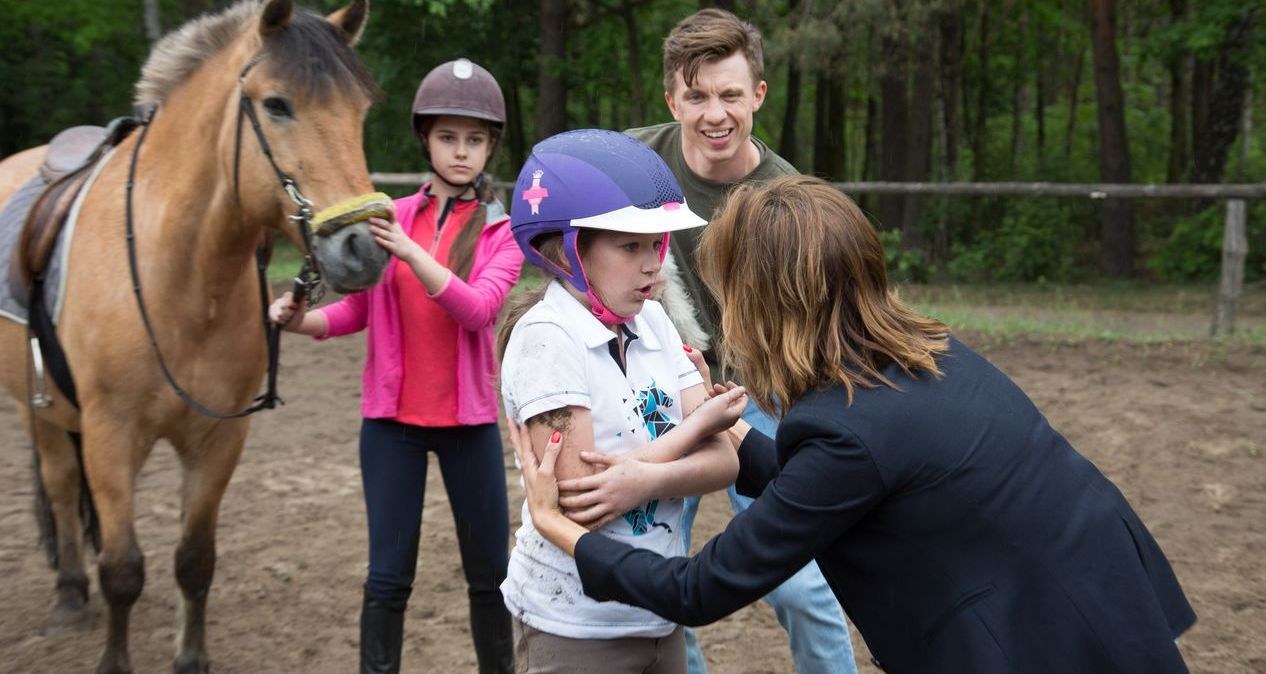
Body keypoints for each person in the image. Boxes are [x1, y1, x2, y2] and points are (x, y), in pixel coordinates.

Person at [512, 175, 1198, 674]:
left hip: (1032, 644)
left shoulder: (846, 431)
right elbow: (844, 485)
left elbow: (700, 589)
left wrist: (561, 528)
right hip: (1105, 600)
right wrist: (730, 431)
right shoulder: (928, 355)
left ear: (766, 302)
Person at [269, 58, 522, 674]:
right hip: (391, 428)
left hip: (467, 427)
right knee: (388, 579)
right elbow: (360, 310)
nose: (461, 152)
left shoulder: (502, 230)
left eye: (475, 139)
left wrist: (410, 253)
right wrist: (302, 320)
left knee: (490, 577)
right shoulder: (389, 216)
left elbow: (478, 310)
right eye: (448, 137)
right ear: (427, 140)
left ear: (490, 146)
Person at [627, 9, 858, 674]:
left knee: (800, 582)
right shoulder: (631, 163)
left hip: (755, 394)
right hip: (657, 396)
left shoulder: (788, 198)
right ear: (672, 99)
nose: (714, 113)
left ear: (758, 94)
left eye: (730, 93)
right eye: (696, 95)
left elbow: (818, 323)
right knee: (656, 572)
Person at [497, 129, 747, 674]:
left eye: (657, 245)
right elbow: (579, 499)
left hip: (659, 613)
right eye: (630, 246)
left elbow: (727, 460)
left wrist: (644, 479)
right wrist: (694, 428)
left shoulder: (654, 319)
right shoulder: (547, 339)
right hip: (576, 625)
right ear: (569, 247)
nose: (653, 264)